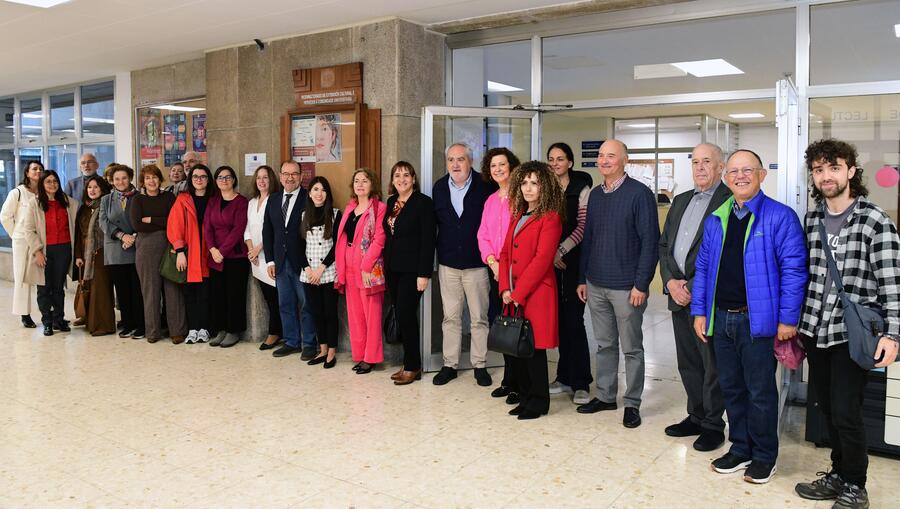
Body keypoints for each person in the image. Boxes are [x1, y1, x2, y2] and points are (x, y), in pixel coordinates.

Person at [794, 139, 900, 508]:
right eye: (819, 170)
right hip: (814, 329)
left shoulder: (874, 220)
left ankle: (856, 484)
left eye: (834, 168)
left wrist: (893, 334)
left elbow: (892, 283)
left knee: (846, 411)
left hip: (850, 334)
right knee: (826, 407)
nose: (826, 176)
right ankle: (838, 474)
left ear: (851, 172)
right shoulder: (811, 220)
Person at [692, 149, 807, 485]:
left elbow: (794, 270)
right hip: (721, 319)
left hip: (757, 321)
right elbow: (702, 268)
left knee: (759, 391)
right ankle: (740, 447)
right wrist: (700, 312)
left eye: (748, 170)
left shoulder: (780, 217)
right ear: (726, 177)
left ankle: (764, 456)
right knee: (731, 388)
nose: (740, 176)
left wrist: (787, 320)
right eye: (734, 171)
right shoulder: (718, 216)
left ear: (761, 175)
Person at [576, 139, 659, 429]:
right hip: (595, 283)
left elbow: (650, 242)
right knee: (604, 344)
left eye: (611, 156)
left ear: (624, 160)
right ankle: (606, 395)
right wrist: (581, 278)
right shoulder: (596, 195)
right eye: (600, 156)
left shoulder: (640, 194)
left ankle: (633, 402)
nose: (604, 160)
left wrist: (641, 284)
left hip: (627, 287)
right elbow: (589, 239)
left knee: (632, 347)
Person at [657, 143, 731, 452]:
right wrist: (671, 282)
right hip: (678, 295)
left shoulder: (729, 200)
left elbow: (723, 254)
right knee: (687, 361)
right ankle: (696, 416)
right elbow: (664, 245)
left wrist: (691, 286)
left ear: (720, 167)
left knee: (711, 363)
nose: (700, 168)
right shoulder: (682, 200)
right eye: (696, 162)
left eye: (706, 162)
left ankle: (714, 425)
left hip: (707, 298)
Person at [499, 161, 563, 420]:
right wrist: (504, 287)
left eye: (534, 183)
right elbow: (504, 254)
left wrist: (518, 292)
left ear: (544, 186)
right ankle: (525, 397)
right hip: (513, 293)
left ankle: (539, 402)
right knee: (518, 349)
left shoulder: (551, 217)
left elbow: (542, 260)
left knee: (535, 350)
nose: (528, 188)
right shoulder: (518, 214)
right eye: (524, 183)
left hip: (535, 294)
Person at [432, 142, 497, 387]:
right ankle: (450, 364)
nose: (455, 164)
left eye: (460, 159)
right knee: (451, 318)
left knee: (479, 318)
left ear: (470, 161)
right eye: (451, 160)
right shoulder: (439, 187)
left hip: (477, 264)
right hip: (448, 264)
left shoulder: (485, 185)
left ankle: (480, 365)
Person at [547, 142, 594, 406]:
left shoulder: (582, 189)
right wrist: (551, 254)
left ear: (570, 163)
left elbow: (583, 227)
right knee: (560, 323)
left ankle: (581, 383)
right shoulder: (546, 189)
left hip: (574, 263)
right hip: (551, 264)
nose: (555, 163)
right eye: (551, 159)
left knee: (575, 323)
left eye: (560, 159)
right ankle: (563, 376)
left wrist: (561, 250)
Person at [383, 162, 435, 385]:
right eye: (397, 175)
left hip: (413, 271)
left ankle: (413, 366)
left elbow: (428, 240)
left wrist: (424, 274)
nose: (401, 179)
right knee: (403, 316)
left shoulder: (423, 203)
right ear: (392, 180)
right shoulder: (392, 202)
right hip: (393, 268)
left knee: (406, 315)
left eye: (406, 175)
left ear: (414, 179)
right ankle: (408, 363)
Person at [476, 147, 521, 401]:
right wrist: (492, 261)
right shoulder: (491, 200)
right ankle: (508, 379)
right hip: (496, 272)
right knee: (504, 325)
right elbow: (483, 234)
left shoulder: (521, 197)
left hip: (517, 272)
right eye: (493, 166)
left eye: (502, 164)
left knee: (519, 327)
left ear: (511, 166)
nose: (498, 169)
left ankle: (520, 382)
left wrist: (504, 265)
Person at [262, 160, 317, 359]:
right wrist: (270, 261)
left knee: (306, 303)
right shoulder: (273, 199)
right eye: (286, 173)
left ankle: (310, 343)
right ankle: (292, 342)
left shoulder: (309, 198)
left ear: (301, 177)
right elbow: (267, 232)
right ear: (280, 175)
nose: (290, 177)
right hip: (280, 262)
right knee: (285, 303)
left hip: (303, 262)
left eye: (294, 174)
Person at [335, 168, 386, 374]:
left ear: (372, 184)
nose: (360, 184)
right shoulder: (350, 208)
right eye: (357, 181)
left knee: (371, 315)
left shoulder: (379, 208)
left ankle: (371, 357)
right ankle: (359, 354)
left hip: (368, 270)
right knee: (355, 315)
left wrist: (366, 265)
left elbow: (380, 238)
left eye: (365, 180)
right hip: (348, 267)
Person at [129, 165, 186, 344]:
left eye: (154, 177)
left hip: (168, 246)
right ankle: (152, 331)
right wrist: (162, 221)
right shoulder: (137, 200)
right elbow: (137, 225)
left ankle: (177, 330)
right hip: (145, 249)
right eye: (147, 178)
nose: (151, 181)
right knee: (150, 291)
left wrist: (151, 219)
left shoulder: (169, 196)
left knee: (173, 289)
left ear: (160, 179)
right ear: (142, 182)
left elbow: (174, 220)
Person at [21, 170, 79, 336]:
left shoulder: (69, 203)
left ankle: (59, 319)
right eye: (48, 182)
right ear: (42, 184)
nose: (52, 184)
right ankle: (47, 321)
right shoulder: (34, 203)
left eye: (55, 181)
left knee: (58, 287)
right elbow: (28, 230)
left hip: (64, 249)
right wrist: (37, 251)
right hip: (45, 250)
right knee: (44, 288)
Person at [168, 163, 215, 344]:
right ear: (190, 179)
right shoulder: (183, 199)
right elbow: (175, 225)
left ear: (208, 179)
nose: (199, 180)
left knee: (206, 293)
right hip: (189, 252)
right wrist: (180, 250)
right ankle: (193, 329)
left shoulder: (214, 198)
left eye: (203, 177)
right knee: (189, 293)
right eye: (195, 177)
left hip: (209, 251)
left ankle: (204, 328)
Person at [205, 165, 250, 348]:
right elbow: (207, 227)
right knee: (218, 295)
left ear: (233, 180)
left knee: (234, 295)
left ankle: (233, 331)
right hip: (215, 257)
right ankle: (221, 329)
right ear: (216, 181)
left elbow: (239, 229)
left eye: (228, 177)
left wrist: (222, 251)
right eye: (220, 177)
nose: (224, 180)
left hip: (235, 256)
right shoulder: (213, 201)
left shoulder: (241, 202)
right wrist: (212, 249)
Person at [299, 176, 342, 368]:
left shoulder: (335, 214)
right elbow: (297, 245)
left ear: (328, 194)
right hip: (308, 274)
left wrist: (321, 268)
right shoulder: (303, 216)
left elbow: (337, 247)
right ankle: (322, 349)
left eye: (323, 190)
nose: (319, 193)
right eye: (315, 189)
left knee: (329, 313)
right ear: (309, 193)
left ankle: (332, 351)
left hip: (328, 271)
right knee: (316, 312)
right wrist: (308, 269)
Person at [99, 164, 145, 339]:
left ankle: (141, 325)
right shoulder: (106, 200)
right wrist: (121, 235)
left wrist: (132, 237)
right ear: (112, 181)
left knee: (137, 290)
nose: (120, 181)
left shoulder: (140, 197)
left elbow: (144, 219)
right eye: (116, 179)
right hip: (116, 248)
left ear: (130, 178)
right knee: (123, 291)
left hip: (136, 247)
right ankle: (127, 324)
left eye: (124, 178)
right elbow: (103, 222)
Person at [244, 165, 283, 350]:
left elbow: (274, 231)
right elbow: (248, 229)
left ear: (272, 180)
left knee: (275, 297)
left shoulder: (275, 200)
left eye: (265, 177)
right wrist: (251, 249)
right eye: (258, 177)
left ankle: (274, 333)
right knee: (268, 298)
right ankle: (277, 331)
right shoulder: (252, 202)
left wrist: (260, 247)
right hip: (255, 258)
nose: (261, 181)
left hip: (270, 256)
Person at [1, 160, 43, 328]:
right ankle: (24, 314)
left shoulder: (44, 191)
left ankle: (49, 312)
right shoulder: (17, 192)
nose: (37, 171)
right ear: (27, 172)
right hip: (22, 241)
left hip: (41, 240)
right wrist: (15, 235)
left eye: (40, 169)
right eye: (34, 169)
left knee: (43, 276)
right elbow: (5, 216)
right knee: (23, 277)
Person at [72, 175, 116, 336]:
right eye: (90, 187)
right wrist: (78, 256)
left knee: (101, 290)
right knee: (89, 287)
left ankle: (103, 325)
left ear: (102, 189)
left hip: (103, 252)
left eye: (96, 187)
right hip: (85, 254)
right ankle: (89, 321)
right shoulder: (84, 208)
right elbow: (78, 234)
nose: (92, 190)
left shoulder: (108, 205)